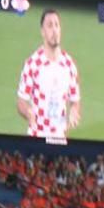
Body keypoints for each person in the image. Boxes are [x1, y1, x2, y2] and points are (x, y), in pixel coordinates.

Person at [15, 8, 82, 140]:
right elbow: (21, 101)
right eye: (50, 25)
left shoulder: (69, 65)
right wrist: (29, 114)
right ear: (43, 32)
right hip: (37, 135)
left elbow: (75, 100)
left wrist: (74, 111)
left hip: (60, 136)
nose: (54, 30)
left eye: (57, 25)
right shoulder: (33, 64)